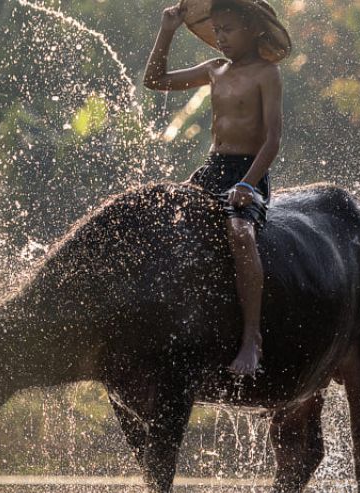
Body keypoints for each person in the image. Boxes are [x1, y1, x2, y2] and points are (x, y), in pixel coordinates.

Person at [143, 0, 289, 374]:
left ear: (253, 29)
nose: (222, 38)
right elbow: (154, 80)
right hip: (212, 168)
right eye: (218, 30)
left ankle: (251, 338)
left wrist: (246, 183)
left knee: (240, 233)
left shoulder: (266, 74)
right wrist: (167, 29)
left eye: (230, 29)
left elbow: (272, 141)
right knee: (163, 219)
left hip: (247, 171)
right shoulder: (214, 70)